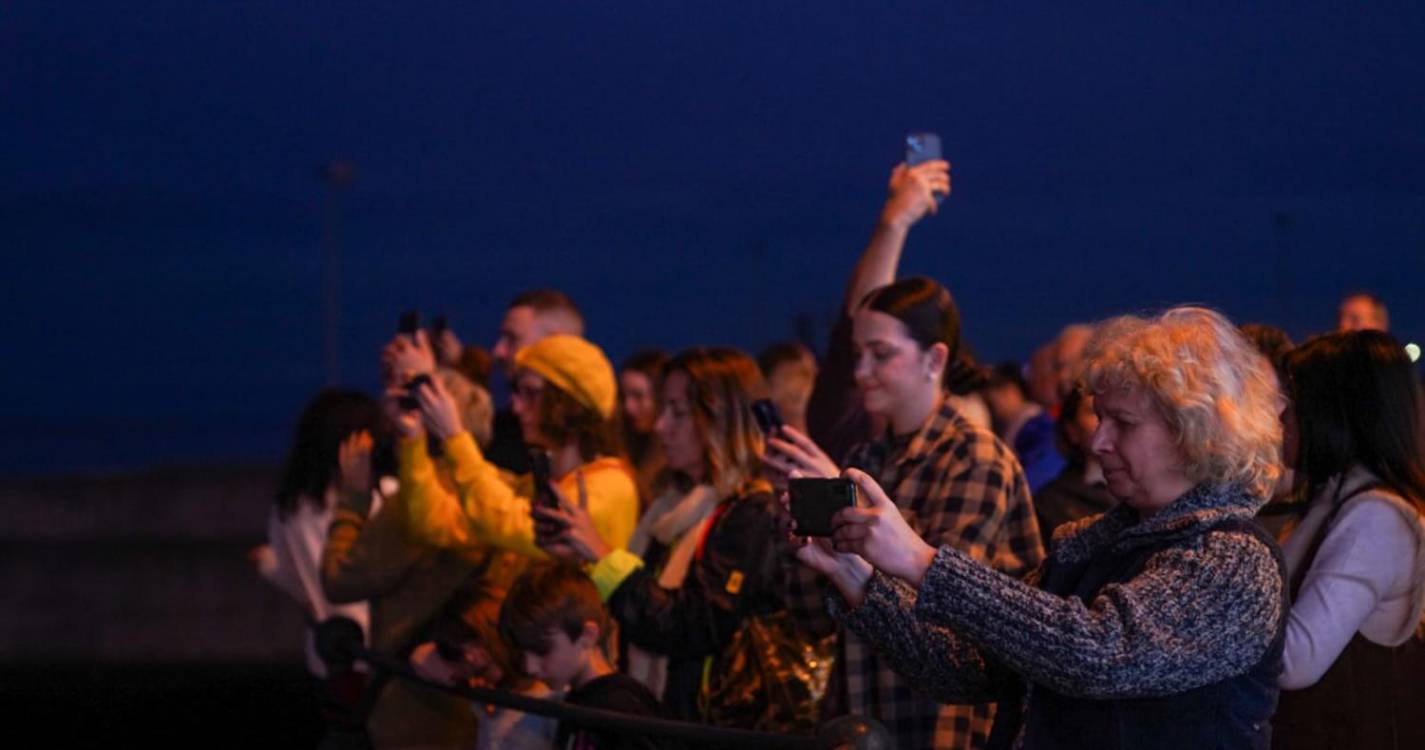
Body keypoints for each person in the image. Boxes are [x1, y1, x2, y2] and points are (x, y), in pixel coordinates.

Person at [794, 307, 1288, 750]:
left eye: (1124, 423)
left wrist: (922, 562)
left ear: (1194, 432)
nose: (1098, 441)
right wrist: (859, 580)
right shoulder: (1090, 544)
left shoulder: (1233, 558)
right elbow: (965, 667)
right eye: (1098, 418)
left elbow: (1098, 654)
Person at [778, 158, 1045, 749]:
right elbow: (811, 616)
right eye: (858, 354)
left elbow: (942, 613)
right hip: (862, 720)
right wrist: (807, 536)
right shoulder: (869, 456)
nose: (862, 370)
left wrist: (851, 525)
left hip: (941, 728)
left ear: (934, 359)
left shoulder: (975, 458)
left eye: (880, 354)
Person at [538, 348, 810, 730]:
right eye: (664, 409)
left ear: (722, 421)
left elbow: (690, 626)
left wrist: (601, 553)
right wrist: (586, 558)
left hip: (711, 729)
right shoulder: (671, 509)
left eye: (679, 413)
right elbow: (642, 607)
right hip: (665, 720)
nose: (660, 426)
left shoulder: (750, 511)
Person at [321, 370, 518, 748]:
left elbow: (339, 580)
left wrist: (353, 500)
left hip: (410, 710)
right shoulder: (501, 495)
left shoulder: (408, 511)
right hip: (482, 712)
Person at [1271, 330, 1425, 750]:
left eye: (1295, 402)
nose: (1280, 417)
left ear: (1335, 413)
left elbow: (1295, 661)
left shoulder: (1376, 517)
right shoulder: (1336, 498)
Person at [393, 332, 639, 562]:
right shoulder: (537, 485)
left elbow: (522, 529)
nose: (516, 407)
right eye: (517, 392)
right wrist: (413, 440)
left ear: (569, 403)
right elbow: (431, 524)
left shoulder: (612, 485)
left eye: (530, 393)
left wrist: (454, 437)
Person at [255, 389, 381, 679]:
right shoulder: (375, 501)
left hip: (326, 654)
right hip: (377, 654)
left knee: (341, 722)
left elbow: (295, 578)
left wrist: (268, 564)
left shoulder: (289, 507)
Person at [499, 561, 665, 750]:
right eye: (522, 652)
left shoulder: (619, 706)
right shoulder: (581, 698)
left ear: (587, 636)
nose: (530, 667)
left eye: (542, 650)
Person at [485, 289, 587, 473]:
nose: (498, 351)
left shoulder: (588, 442)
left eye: (512, 339)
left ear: (556, 344)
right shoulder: (507, 428)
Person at [1030, 387, 1115, 549]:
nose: (1104, 419)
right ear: (1071, 430)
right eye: (1093, 411)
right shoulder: (1050, 502)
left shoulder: (1146, 491)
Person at [981, 362, 1065, 493]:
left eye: (992, 401)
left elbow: (1040, 471)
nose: (994, 408)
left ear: (1010, 391)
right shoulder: (1029, 425)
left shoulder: (1036, 426)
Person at [619, 348, 668, 507]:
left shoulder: (676, 460)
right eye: (623, 396)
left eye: (638, 396)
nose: (628, 407)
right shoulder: (624, 445)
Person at [758, 341, 819, 434]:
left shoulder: (836, 440)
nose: (811, 381)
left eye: (814, 373)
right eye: (800, 374)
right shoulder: (755, 443)